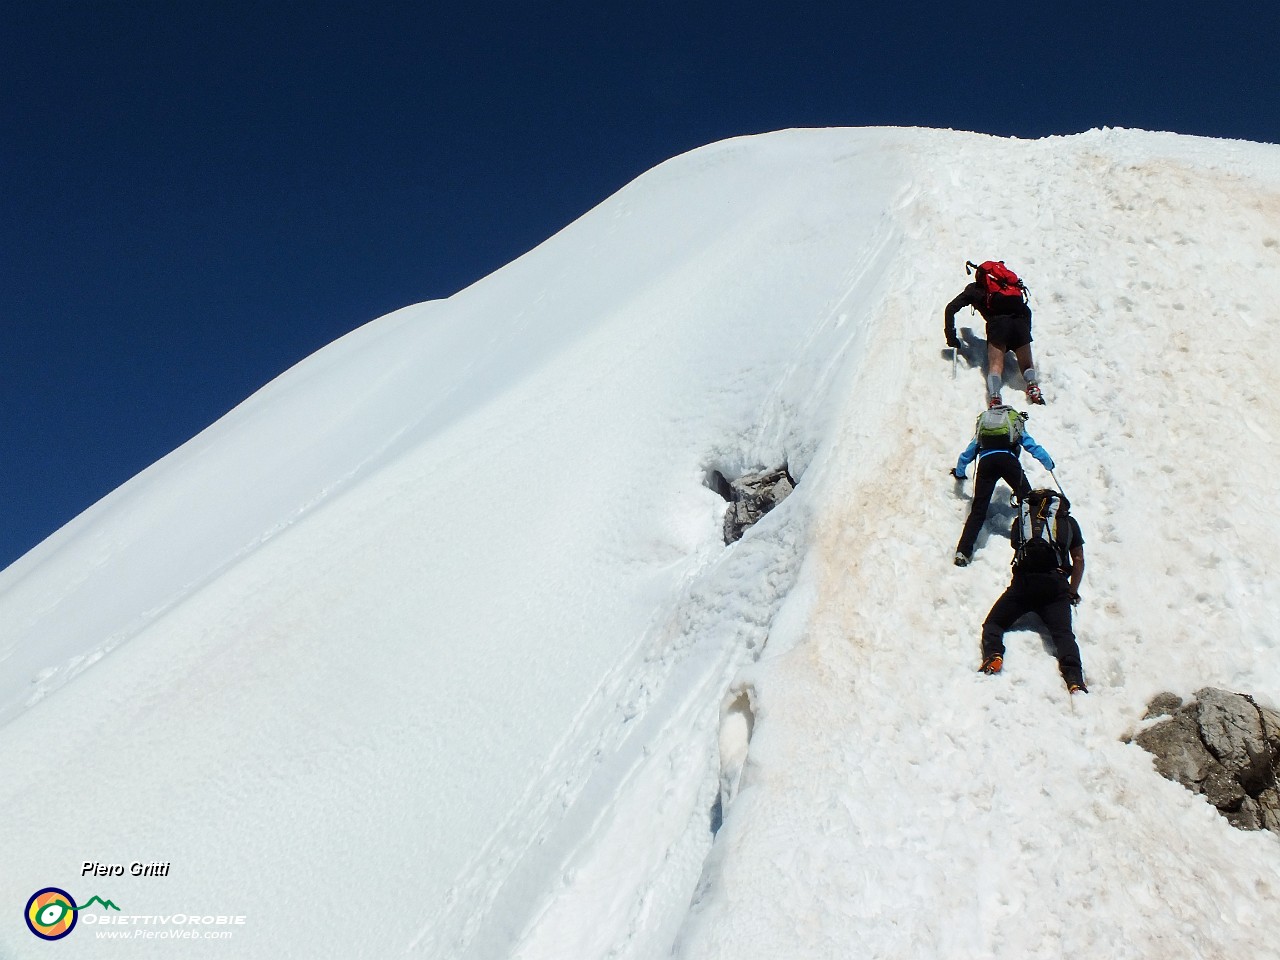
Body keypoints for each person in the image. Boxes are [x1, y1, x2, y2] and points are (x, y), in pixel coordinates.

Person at [978, 490, 1087, 694]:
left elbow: (1015, 545)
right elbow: (1079, 559)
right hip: (1055, 586)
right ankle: (1074, 680)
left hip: (1024, 584)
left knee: (994, 623)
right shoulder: (1068, 522)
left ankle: (993, 655)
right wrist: (1071, 592)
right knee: (1063, 634)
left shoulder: (1023, 520)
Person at [951, 408, 1054, 567]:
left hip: (986, 463)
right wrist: (1049, 464)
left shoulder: (985, 428)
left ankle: (962, 552)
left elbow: (967, 454)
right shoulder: (1013, 422)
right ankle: (1032, 544)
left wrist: (959, 473)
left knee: (978, 509)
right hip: (1008, 460)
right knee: (1028, 501)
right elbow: (1032, 446)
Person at [944, 260, 1043, 407]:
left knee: (995, 366)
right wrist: (1024, 336)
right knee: (1027, 364)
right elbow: (1026, 311)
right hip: (1019, 322)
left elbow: (950, 308)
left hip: (998, 327)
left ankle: (995, 397)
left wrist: (951, 337)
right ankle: (1032, 386)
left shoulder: (974, 290)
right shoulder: (1010, 288)